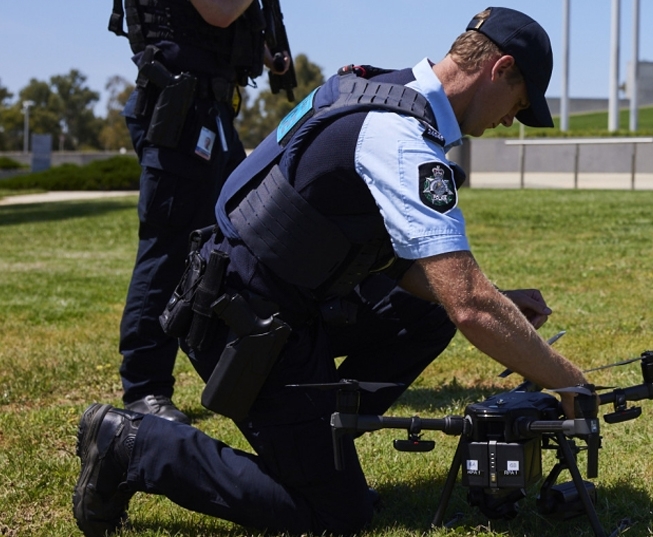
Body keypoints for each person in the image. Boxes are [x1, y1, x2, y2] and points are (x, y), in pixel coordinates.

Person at [74, 7, 589, 536]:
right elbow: (471, 305)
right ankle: (130, 444)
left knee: (430, 310)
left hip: (271, 294)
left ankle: (318, 444)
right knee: (336, 518)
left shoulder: (368, 86)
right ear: (500, 69)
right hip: (248, 325)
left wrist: (495, 299)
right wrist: (570, 382)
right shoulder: (401, 137)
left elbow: (393, 261)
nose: (509, 119)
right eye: (518, 104)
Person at [109, 0, 293, 424]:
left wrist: (267, 55)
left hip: (211, 110)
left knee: (236, 240)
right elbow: (218, 11)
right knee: (168, 249)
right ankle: (145, 389)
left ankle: (242, 369)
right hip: (180, 113)